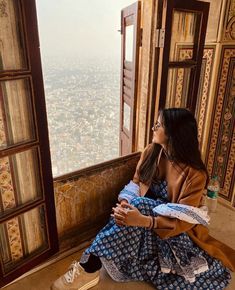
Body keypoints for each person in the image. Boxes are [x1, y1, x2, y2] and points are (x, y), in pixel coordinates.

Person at [51, 108, 235, 290]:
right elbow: (136, 182)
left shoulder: (195, 175)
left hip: (172, 230)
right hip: (143, 220)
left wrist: (144, 220)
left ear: (173, 133)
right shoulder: (152, 151)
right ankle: (89, 266)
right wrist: (125, 205)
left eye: (159, 125)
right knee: (131, 207)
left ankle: (89, 267)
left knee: (138, 206)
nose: (153, 128)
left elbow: (185, 220)